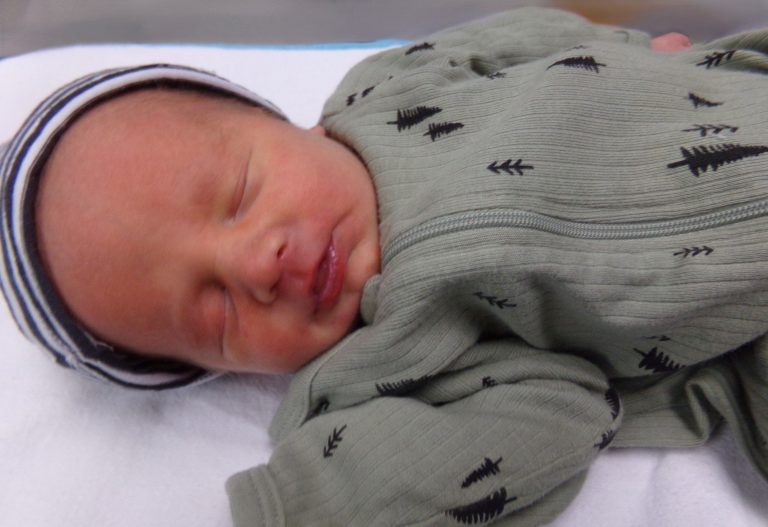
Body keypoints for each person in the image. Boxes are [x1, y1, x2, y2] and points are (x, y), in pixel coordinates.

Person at [2, 6, 768, 526]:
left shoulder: (386, 88)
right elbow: (566, 412)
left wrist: (636, 54)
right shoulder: (380, 367)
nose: (255, 263)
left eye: (238, 193)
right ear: (218, 370)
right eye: (215, 312)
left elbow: (516, 37)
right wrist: (304, 503)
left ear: (288, 124)